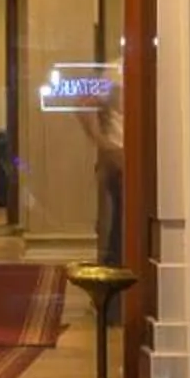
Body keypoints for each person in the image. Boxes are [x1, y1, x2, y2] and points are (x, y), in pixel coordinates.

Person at [84, 79, 126, 267]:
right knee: (117, 221)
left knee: (122, 220)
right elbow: (84, 104)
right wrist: (104, 144)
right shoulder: (114, 72)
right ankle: (113, 270)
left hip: (134, 158)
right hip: (118, 157)